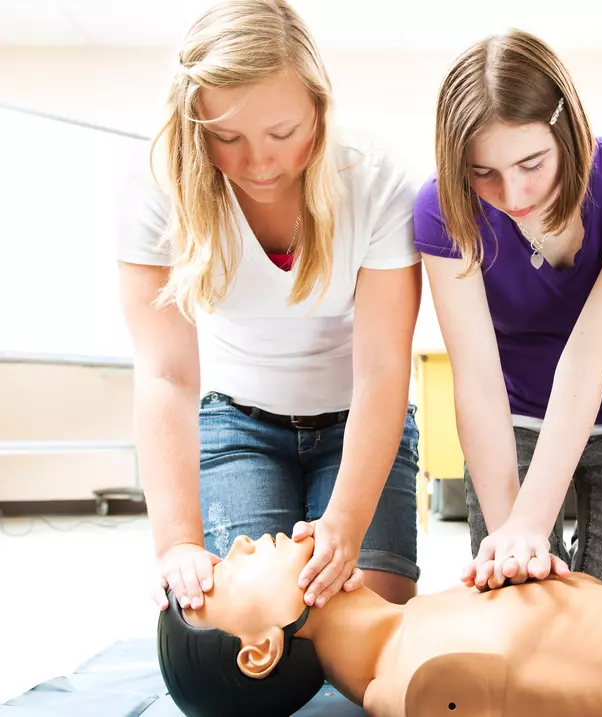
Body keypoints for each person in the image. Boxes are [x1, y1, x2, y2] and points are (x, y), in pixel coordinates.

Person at [116, 0, 422, 615]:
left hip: (353, 420)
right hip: (237, 425)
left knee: (361, 615)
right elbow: (166, 375)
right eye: (226, 137)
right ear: (194, 125)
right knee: (241, 614)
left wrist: (346, 522)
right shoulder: (157, 189)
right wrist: (177, 543)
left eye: (282, 133)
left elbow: (384, 369)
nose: (259, 163)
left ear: (319, 105)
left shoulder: (376, 178)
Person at [413, 29, 602, 592]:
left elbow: (587, 357)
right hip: (512, 421)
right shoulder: (443, 208)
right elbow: (477, 380)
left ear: (565, 129)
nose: (513, 195)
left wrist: (535, 522)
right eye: (482, 172)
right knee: (515, 599)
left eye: (531, 163)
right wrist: (514, 533)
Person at [157, 528, 602, 717]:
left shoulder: (416, 628)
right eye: (226, 568)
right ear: (260, 651)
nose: (245, 542)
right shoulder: (426, 686)